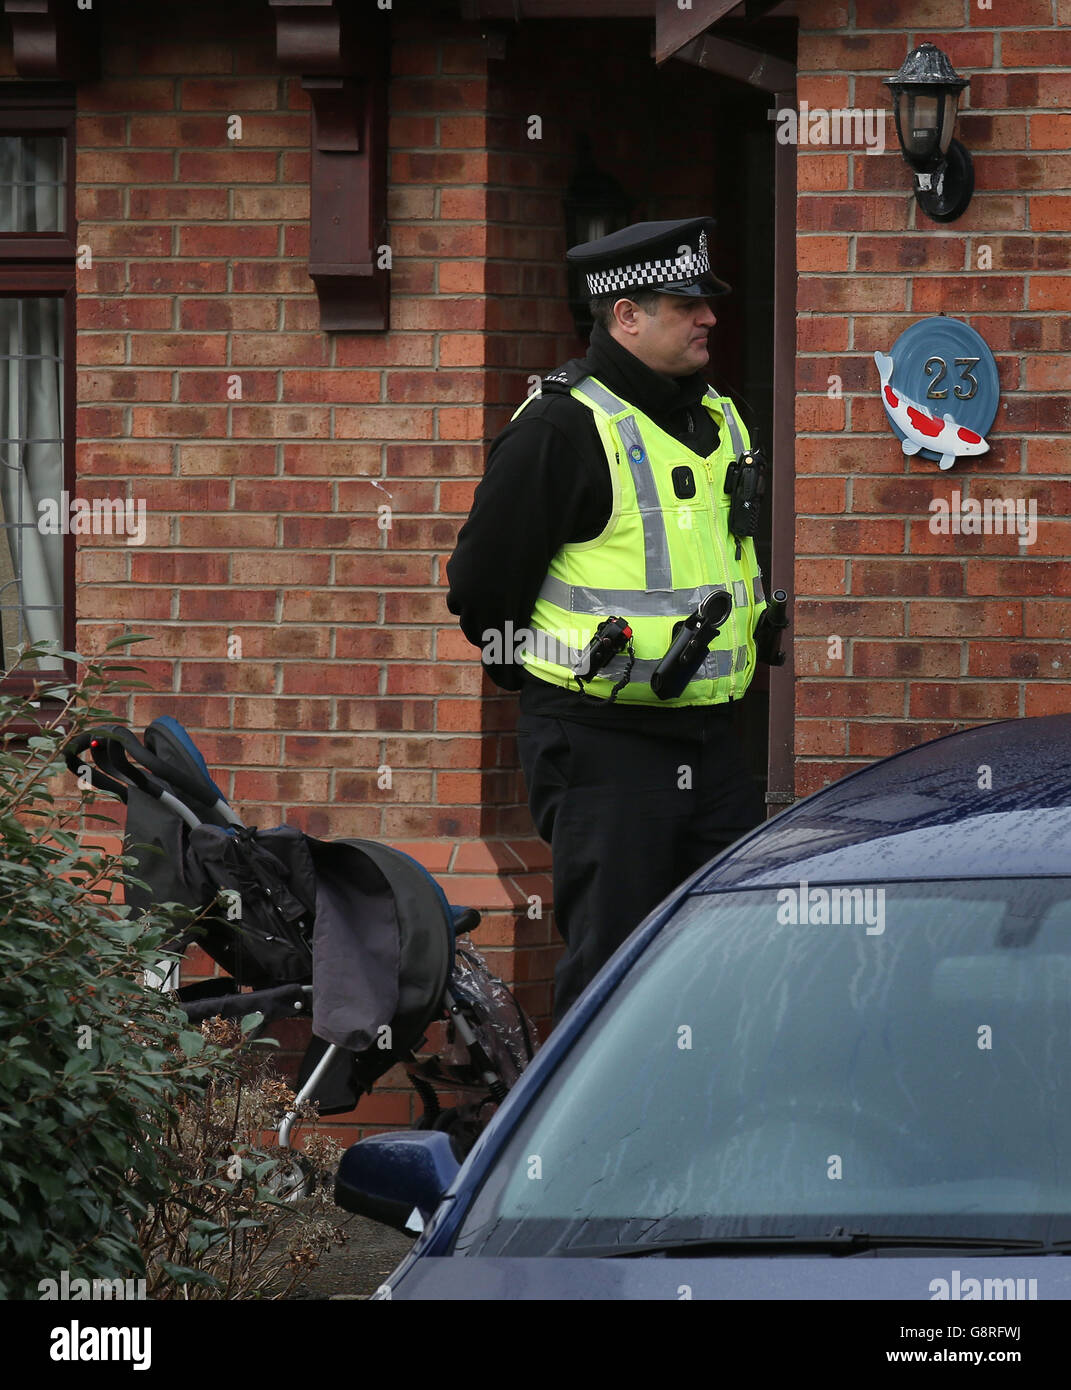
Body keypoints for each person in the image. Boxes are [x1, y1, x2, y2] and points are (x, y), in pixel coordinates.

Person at [447, 217, 770, 1024]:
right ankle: (594, 1146)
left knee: (725, 956)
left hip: (714, 743)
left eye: (708, 302)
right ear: (625, 316)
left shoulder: (717, 419)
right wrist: (563, 679)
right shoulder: (561, 429)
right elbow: (481, 588)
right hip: (602, 749)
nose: (708, 318)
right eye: (685, 303)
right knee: (615, 973)